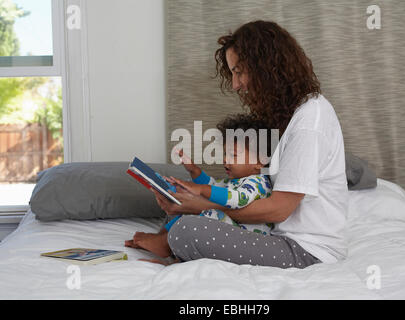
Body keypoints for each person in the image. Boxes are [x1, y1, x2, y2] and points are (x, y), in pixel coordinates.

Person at [135, 20, 349, 269]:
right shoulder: (291, 117)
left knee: (187, 230)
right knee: (185, 220)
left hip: (308, 251)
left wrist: (202, 205)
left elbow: (279, 210)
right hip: (279, 236)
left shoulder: (310, 120)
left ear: (266, 67)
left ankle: (176, 244)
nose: (235, 85)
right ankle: (174, 245)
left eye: (239, 71)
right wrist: (194, 195)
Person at [125, 114, 274, 263]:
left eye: (233, 155)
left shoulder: (258, 183)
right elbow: (214, 186)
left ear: (260, 162)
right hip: (233, 229)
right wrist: (194, 170)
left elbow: (236, 199)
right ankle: (162, 239)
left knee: (209, 211)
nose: (225, 160)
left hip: (245, 239)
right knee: (188, 207)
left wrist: (201, 190)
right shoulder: (237, 180)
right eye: (224, 154)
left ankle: (166, 247)